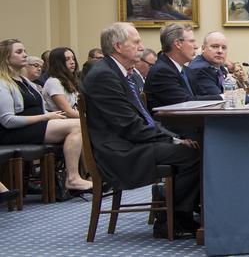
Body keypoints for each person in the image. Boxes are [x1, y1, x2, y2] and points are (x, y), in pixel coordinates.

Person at [82, 23, 201, 238]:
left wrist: (173, 137)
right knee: (193, 154)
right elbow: (130, 126)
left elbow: (143, 120)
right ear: (118, 46)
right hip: (121, 151)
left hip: (132, 142)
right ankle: (171, 221)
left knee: (194, 147)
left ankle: (180, 212)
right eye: (136, 42)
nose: (142, 46)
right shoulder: (104, 76)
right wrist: (173, 140)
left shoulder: (120, 73)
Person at [0, 39, 93, 192]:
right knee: (77, 125)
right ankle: (73, 178)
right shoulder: (3, 83)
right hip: (13, 131)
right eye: (19, 52)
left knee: (79, 125)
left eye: (24, 51)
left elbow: (40, 110)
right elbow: (8, 120)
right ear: (6, 57)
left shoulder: (25, 81)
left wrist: (52, 116)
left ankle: (84, 175)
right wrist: (46, 117)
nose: (25, 55)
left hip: (34, 126)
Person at [144, 23, 220, 112]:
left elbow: (202, 96)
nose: (196, 46)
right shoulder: (161, 72)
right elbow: (185, 103)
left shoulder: (187, 70)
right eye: (191, 41)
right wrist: (223, 97)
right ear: (178, 44)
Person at [185, 31, 232, 96]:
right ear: (203, 48)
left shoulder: (220, 67)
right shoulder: (200, 69)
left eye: (223, 48)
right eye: (215, 46)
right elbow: (218, 98)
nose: (220, 51)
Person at [41, 47, 81, 118]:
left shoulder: (70, 80)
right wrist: (90, 117)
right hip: (59, 120)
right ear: (58, 63)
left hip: (71, 119)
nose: (72, 62)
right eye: (67, 59)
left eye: (73, 58)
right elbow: (68, 112)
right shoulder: (53, 82)